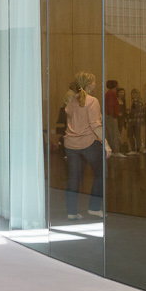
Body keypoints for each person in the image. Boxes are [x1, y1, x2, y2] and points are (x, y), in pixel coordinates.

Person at [60, 72, 106, 220]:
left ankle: (71, 212)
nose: (96, 84)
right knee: (100, 174)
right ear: (88, 84)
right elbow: (95, 125)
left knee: (74, 178)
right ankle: (93, 207)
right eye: (94, 82)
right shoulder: (92, 101)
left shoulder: (71, 100)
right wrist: (106, 144)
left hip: (71, 144)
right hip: (88, 143)